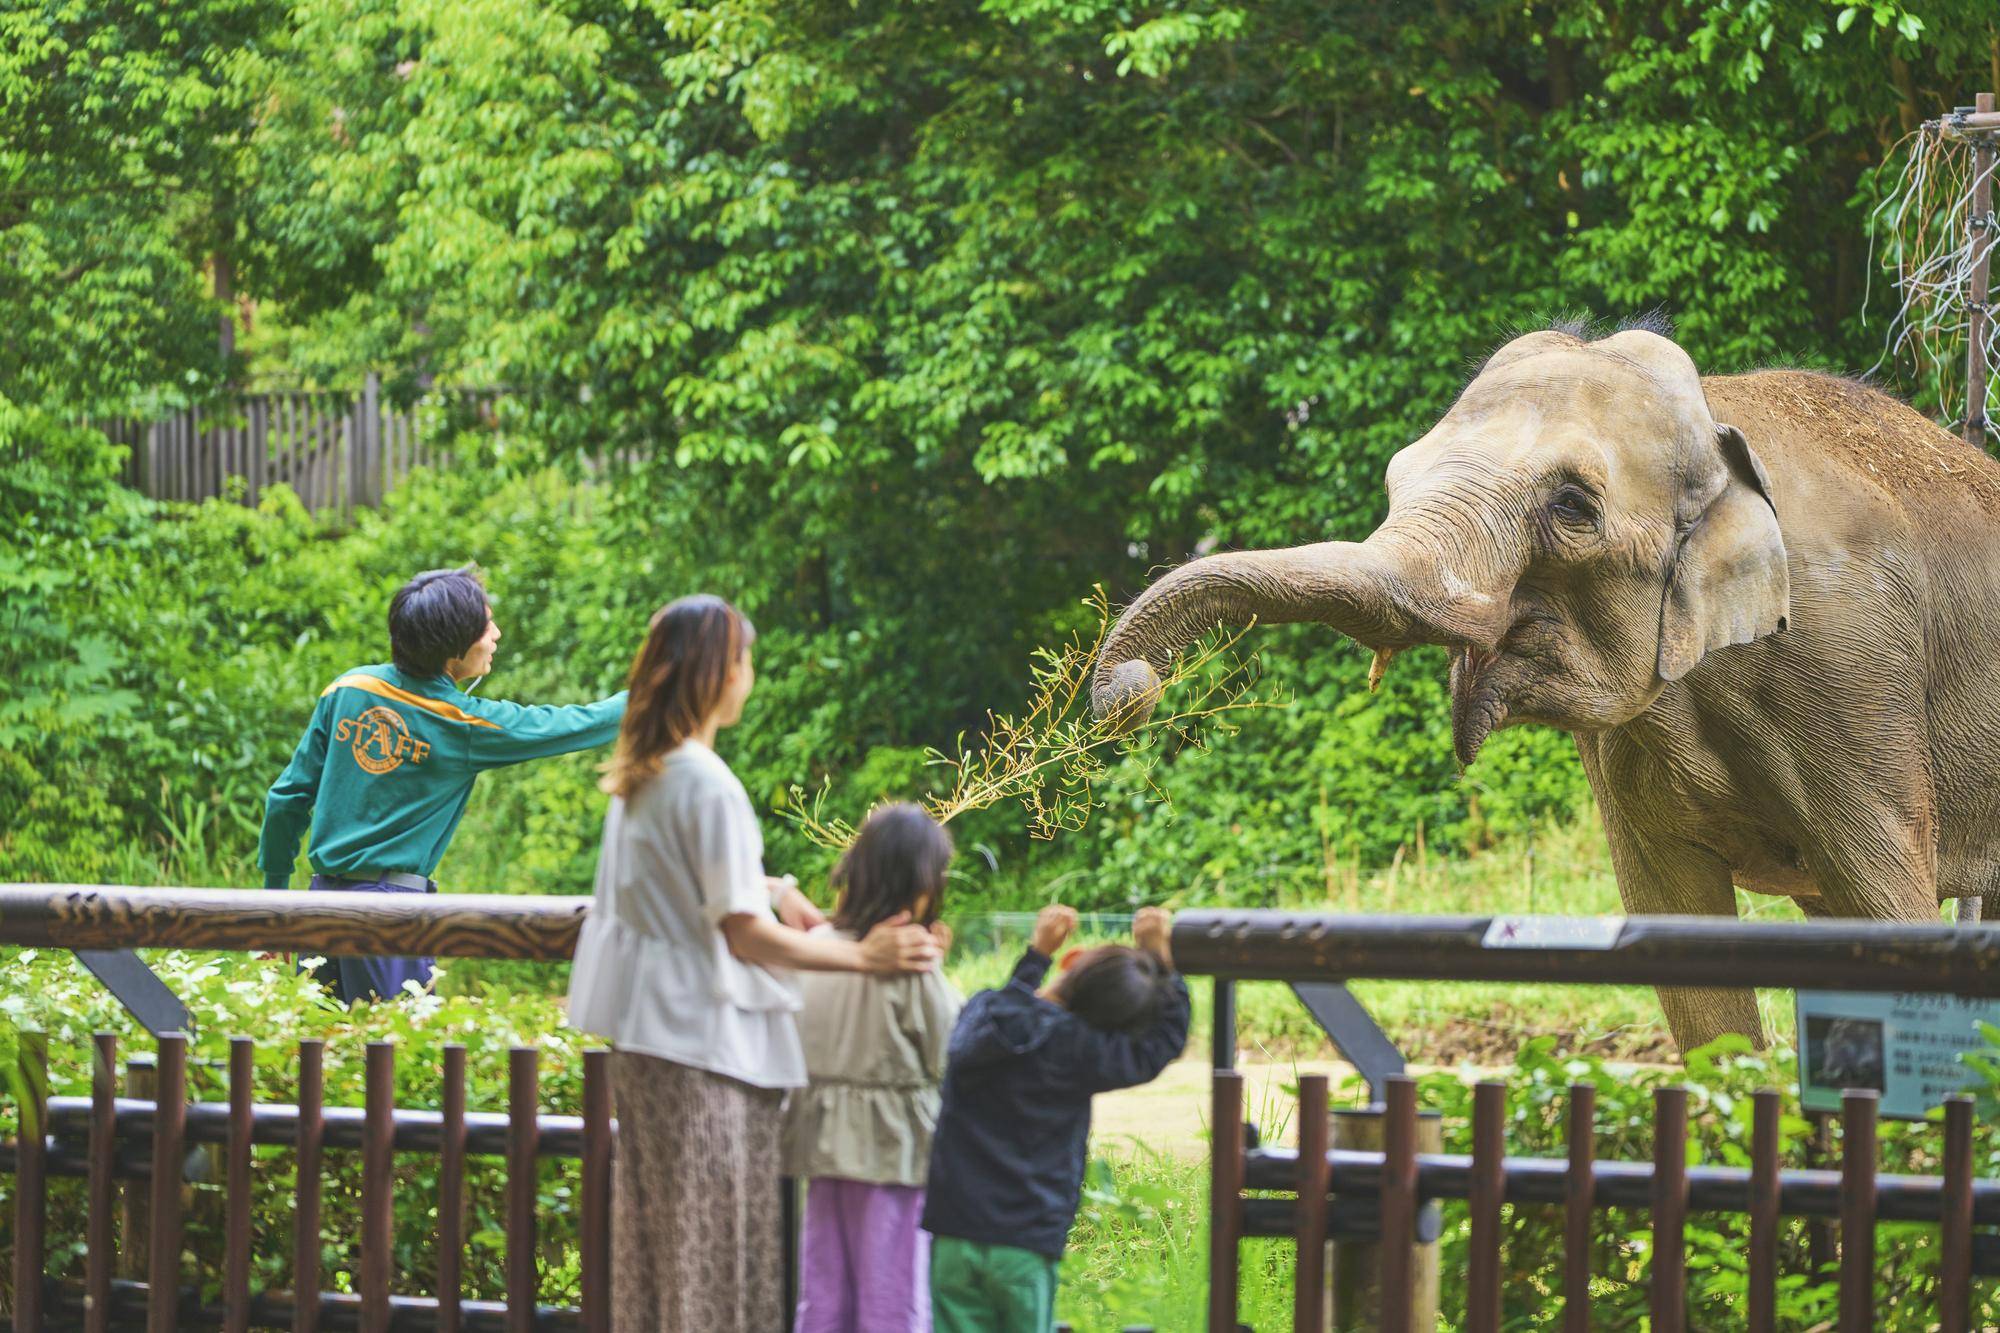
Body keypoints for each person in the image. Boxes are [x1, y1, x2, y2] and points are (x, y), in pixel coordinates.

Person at [564, 594, 942, 1333]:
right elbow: (743, 934)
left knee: (657, 1260)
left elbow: (691, 887)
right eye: (743, 659)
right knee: (716, 1265)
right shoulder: (706, 781)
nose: (750, 675)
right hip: (703, 1052)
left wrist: (777, 889)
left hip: (645, 1045)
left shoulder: (647, 774)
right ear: (715, 671)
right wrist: (863, 956)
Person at [258, 565, 627, 1001]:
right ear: (454, 651)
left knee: (324, 1056)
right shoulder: (459, 722)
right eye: (487, 626)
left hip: (318, 907)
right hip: (389, 917)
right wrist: (654, 693)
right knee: (400, 1060)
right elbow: (572, 725)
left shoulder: (348, 690)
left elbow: (287, 798)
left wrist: (276, 908)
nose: (497, 634)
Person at [923, 904, 1190, 1333]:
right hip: (1026, 1242)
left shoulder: (989, 1017)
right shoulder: (1086, 1053)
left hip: (954, 1232)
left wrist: (1034, 957)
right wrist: (1163, 959)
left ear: (1068, 963)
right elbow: (1162, 1043)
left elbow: (1000, 1011)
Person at [782, 802, 965, 1333]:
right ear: (923, 884)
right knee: (893, 1291)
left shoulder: (816, 948)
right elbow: (948, 1050)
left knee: (823, 1289)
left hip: (820, 1144)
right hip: (892, 1150)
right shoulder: (911, 963)